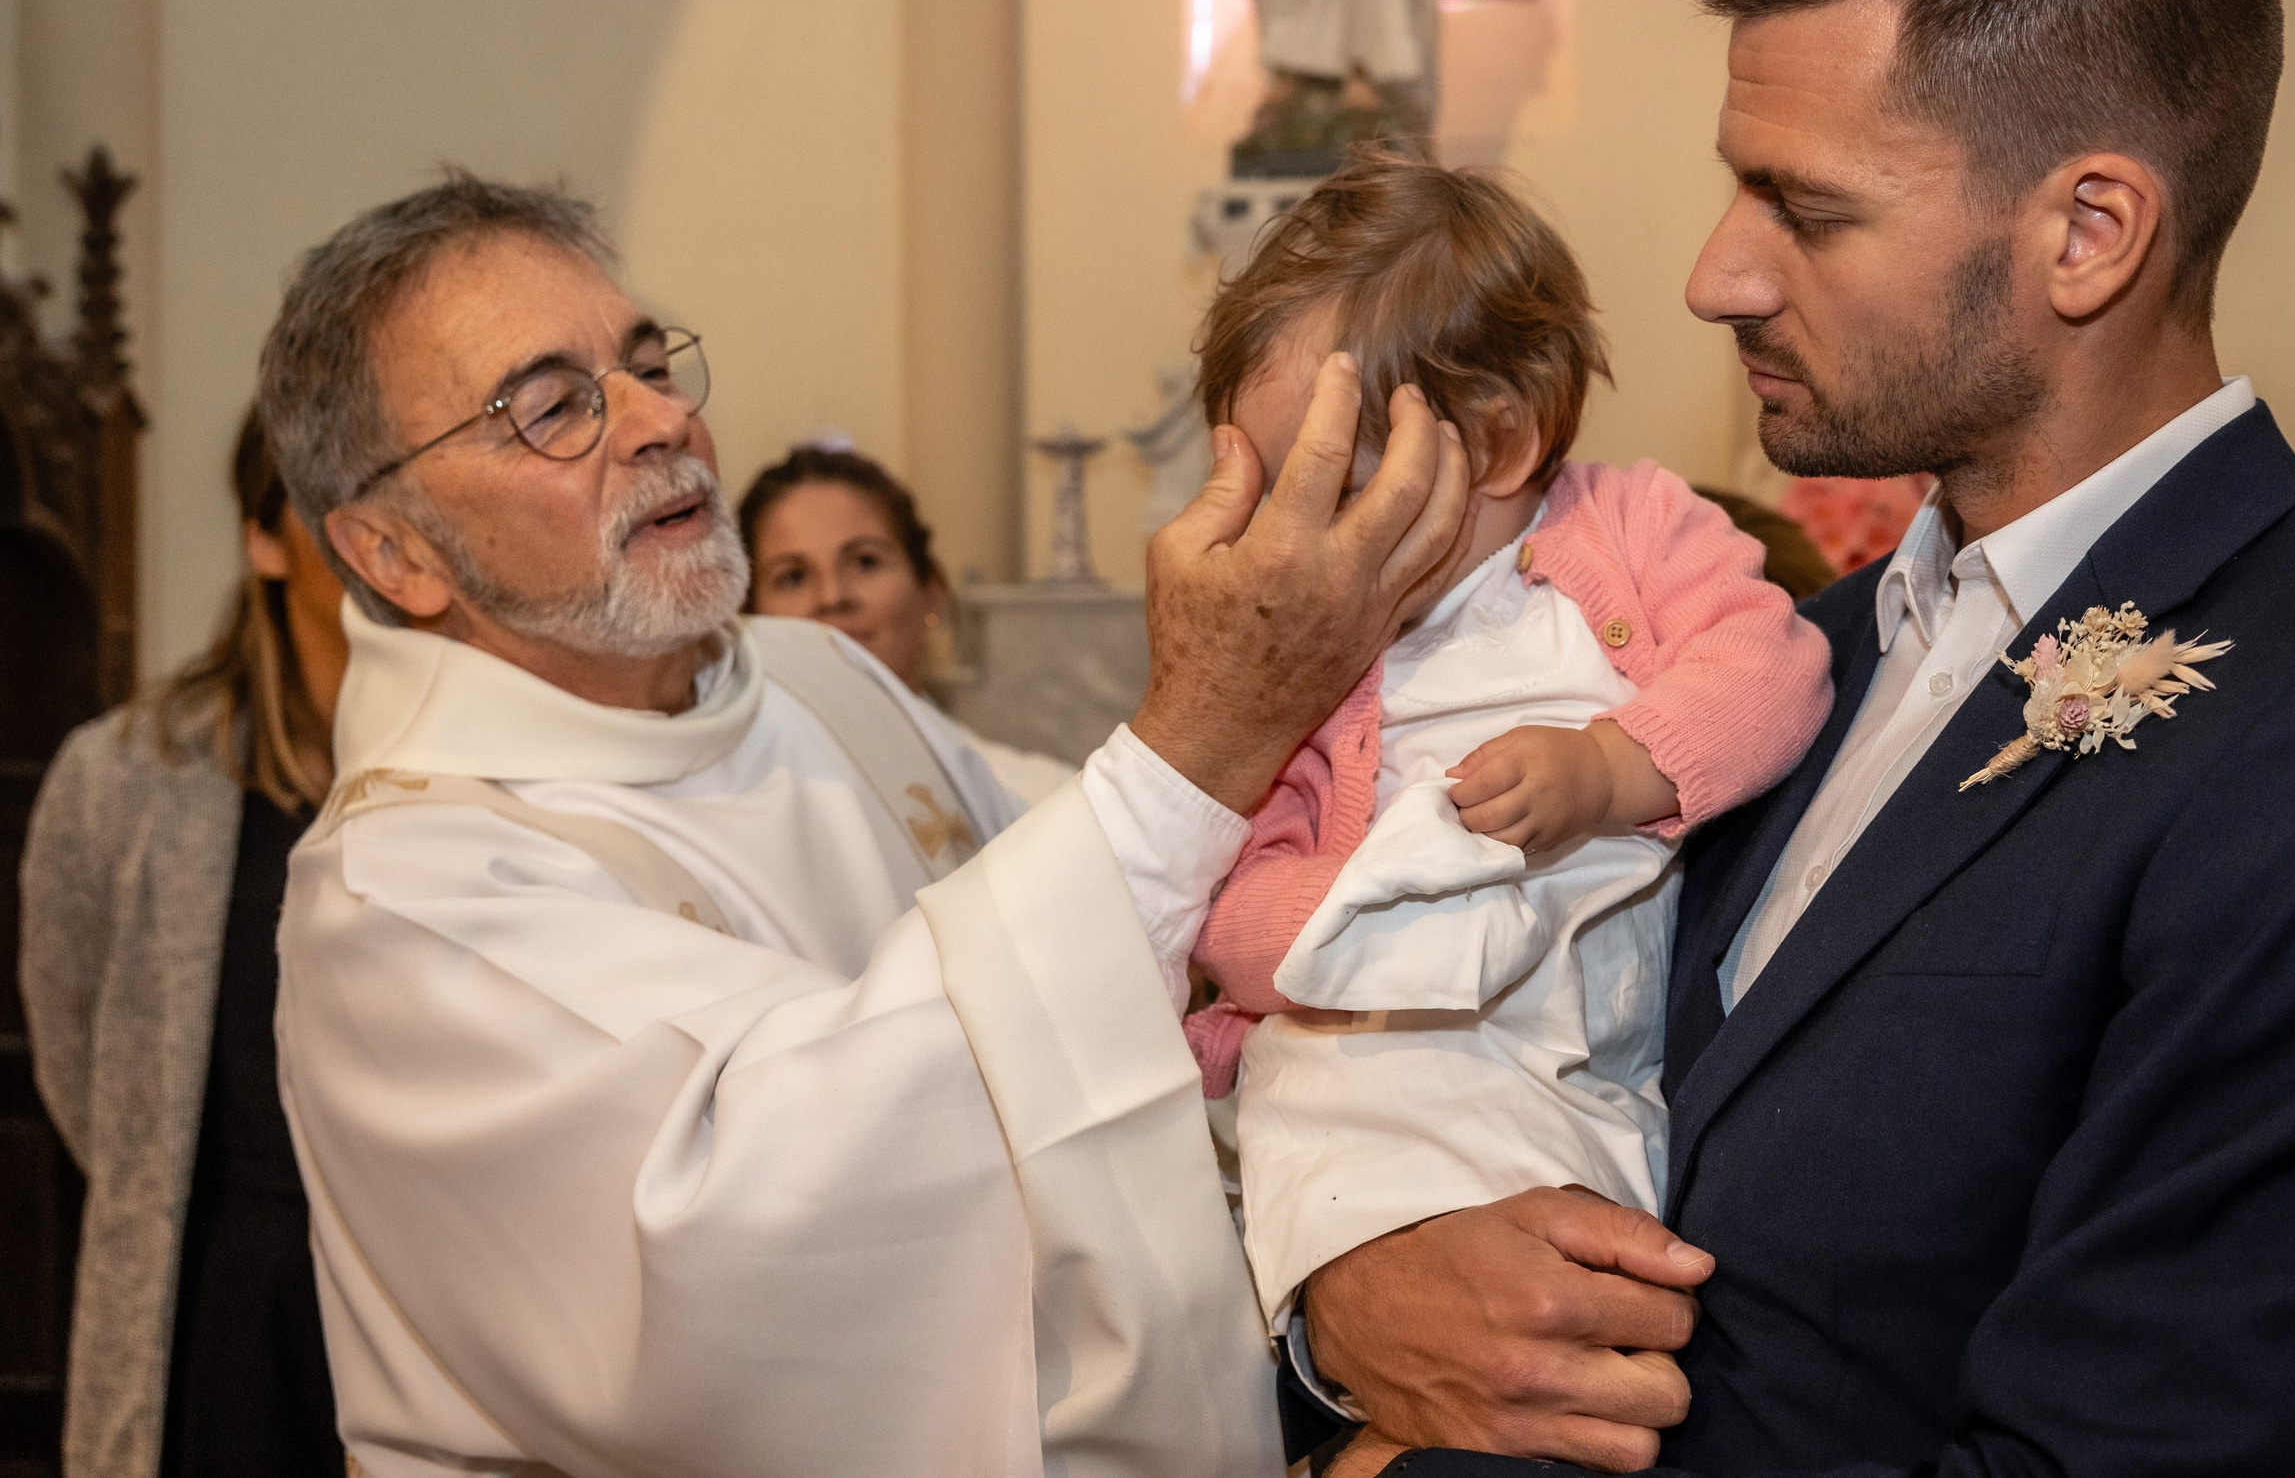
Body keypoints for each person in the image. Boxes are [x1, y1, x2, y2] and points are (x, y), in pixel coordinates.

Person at [1290, 0, 2295, 1477]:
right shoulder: (1784, 662)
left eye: (1804, 209)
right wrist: (1334, 1308)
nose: (1715, 274)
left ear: (2089, 234)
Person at [253, 170, 1472, 1478]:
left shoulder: (811, 675)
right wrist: (1212, 726)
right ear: (394, 553)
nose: (661, 420)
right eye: (553, 405)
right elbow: (775, 1234)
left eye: (650, 361)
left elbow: (1166, 933)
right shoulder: (404, 901)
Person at [1178, 151, 1831, 1342]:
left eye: (1338, 487)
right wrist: (1369, 912)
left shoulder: (1632, 525)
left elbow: (1772, 666)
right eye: (1279, 491)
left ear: (1498, 440)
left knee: (1579, 1305)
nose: (1294, 536)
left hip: (1575, 1055)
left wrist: (1611, 770)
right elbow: (1230, 897)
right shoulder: (1310, 647)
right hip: (1361, 1061)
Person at [21, 408, 349, 1478]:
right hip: (220, 1306)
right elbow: (84, 1067)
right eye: (327, 497)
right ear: (263, 538)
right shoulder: (122, 777)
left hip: (424, 1285)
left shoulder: (495, 771)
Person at [738, 441, 1076, 803]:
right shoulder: (735, 808)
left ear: (931, 593)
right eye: (792, 577)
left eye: (865, 562)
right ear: (748, 618)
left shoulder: (1045, 799)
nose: (832, 597)